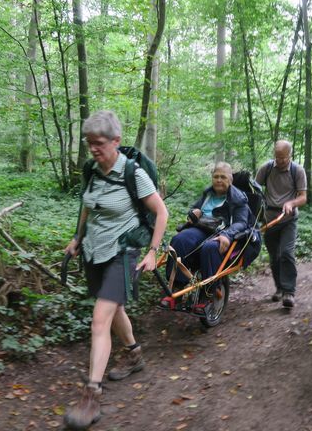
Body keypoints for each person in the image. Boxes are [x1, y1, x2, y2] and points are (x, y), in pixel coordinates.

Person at [63, 111, 169, 430]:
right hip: (95, 250)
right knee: (114, 310)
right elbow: (87, 204)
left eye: (99, 143)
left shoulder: (133, 173)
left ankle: (91, 396)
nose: (93, 149)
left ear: (116, 141)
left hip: (125, 252)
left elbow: (161, 212)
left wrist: (152, 251)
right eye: (89, 143)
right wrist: (77, 238)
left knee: (99, 319)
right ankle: (134, 355)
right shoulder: (92, 170)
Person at [165, 162, 261, 310]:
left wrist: (227, 235)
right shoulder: (208, 194)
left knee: (210, 248)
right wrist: (194, 213)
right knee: (179, 240)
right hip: (202, 228)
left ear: (230, 179)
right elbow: (194, 210)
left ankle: (208, 294)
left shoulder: (239, 198)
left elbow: (241, 223)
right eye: (216, 176)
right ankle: (177, 288)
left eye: (223, 177)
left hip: (223, 232)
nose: (219, 180)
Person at [255, 140, 307, 308]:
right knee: (274, 257)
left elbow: (303, 196)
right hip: (269, 220)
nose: (280, 160)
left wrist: (291, 203)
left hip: (288, 220)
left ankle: (289, 292)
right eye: (277, 157)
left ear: (290, 155)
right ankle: (279, 288)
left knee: (286, 253)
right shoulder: (267, 168)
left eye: (283, 158)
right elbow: (254, 189)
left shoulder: (297, 170)